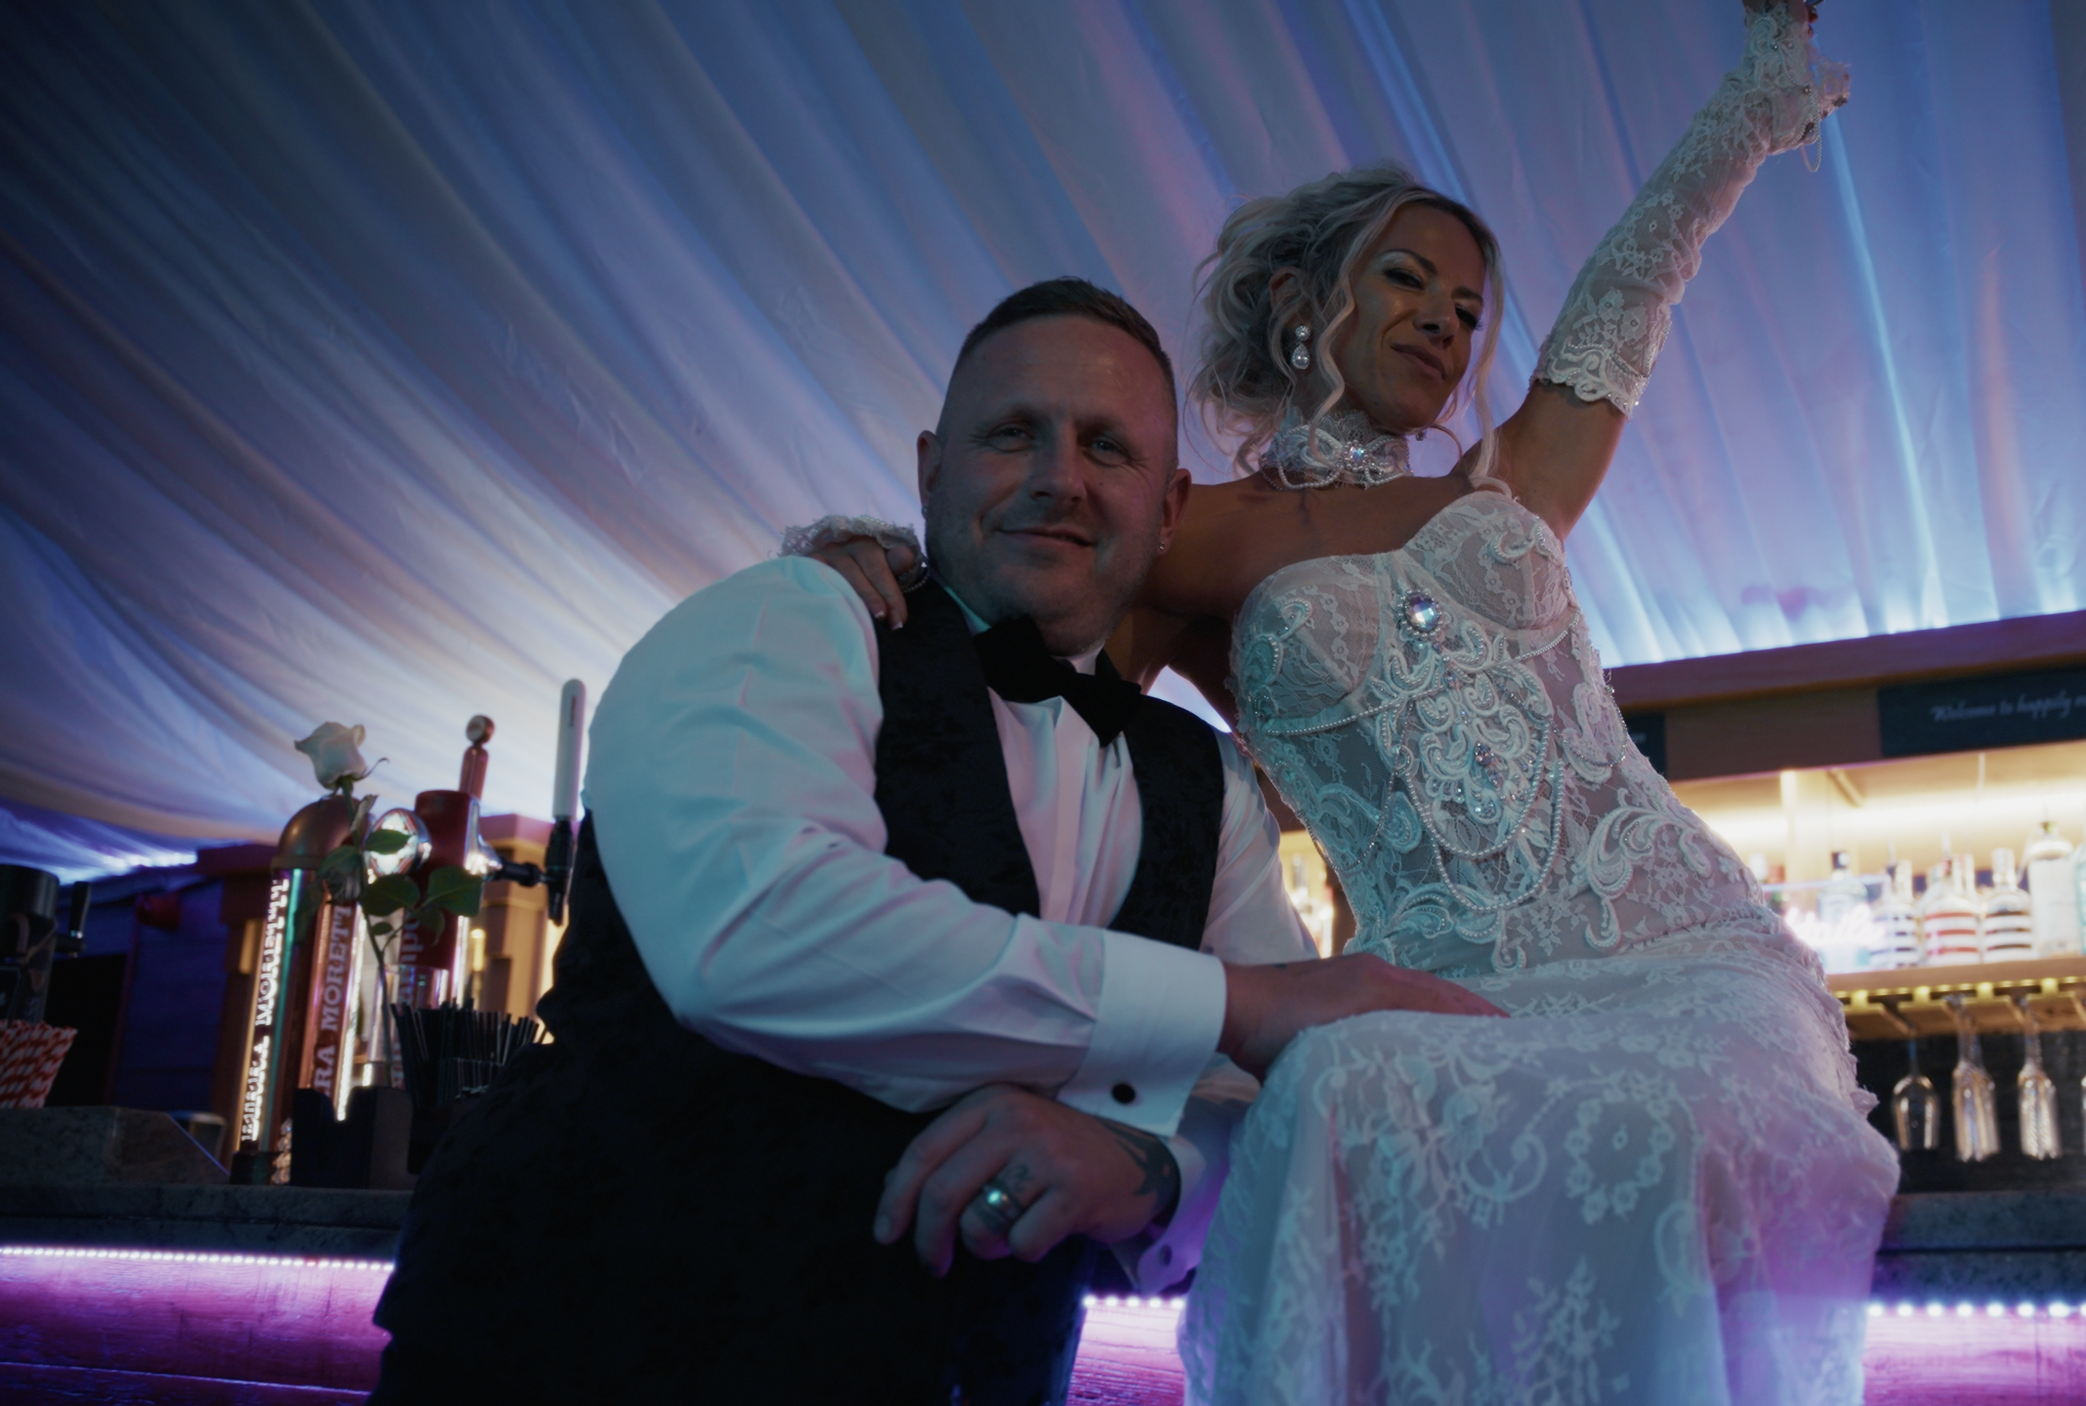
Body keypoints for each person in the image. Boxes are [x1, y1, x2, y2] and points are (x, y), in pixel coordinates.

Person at [811, 3, 1899, 1401]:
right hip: (1433, 988)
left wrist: (1754, 100)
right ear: (1299, 302)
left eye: (1467, 307)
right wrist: (860, 560)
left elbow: (1634, 285)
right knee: (1333, 1091)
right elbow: (1026, 583)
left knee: (1663, 1122)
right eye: (1407, 280)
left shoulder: (1503, 485)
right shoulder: (1193, 537)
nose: (1448, 321)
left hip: (1684, 946)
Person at [367, 279, 1500, 1405]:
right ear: (929, 468)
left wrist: (1151, 1167)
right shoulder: (788, 620)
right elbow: (757, 934)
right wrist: (1233, 1004)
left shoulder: (1205, 776)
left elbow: (1280, 1103)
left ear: (1166, 508)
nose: (1059, 476)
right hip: (572, 1352)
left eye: (1107, 446)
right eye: (1014, 433)